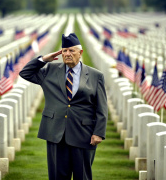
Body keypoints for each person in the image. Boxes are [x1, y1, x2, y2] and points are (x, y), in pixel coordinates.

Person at [19, 33, 108, 180]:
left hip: (83, 134)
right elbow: (25, 73)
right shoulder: (49, 71)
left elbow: (102, 107)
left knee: (83, 176)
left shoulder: (95, 75)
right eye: (64, 50)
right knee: (57, 177)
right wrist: (43, 59)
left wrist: (99, 132)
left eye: (71, 50)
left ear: (80, 53)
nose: (67, 54)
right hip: (56, 133)